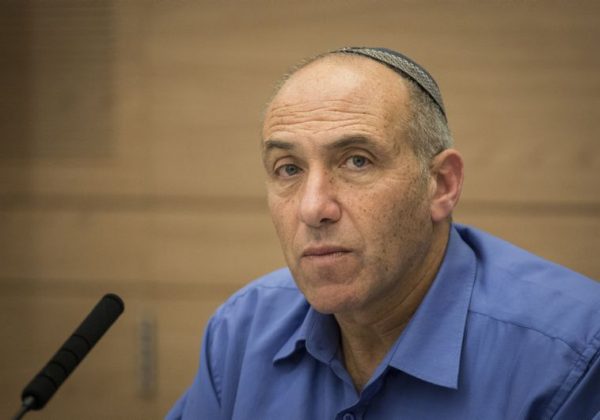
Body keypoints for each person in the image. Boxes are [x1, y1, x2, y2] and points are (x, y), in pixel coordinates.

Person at [166, 47, 600, 419]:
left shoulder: (574, 353)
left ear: (441, 185)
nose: (313, 208)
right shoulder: (240, 332)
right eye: (289, 169)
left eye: (357, 161)